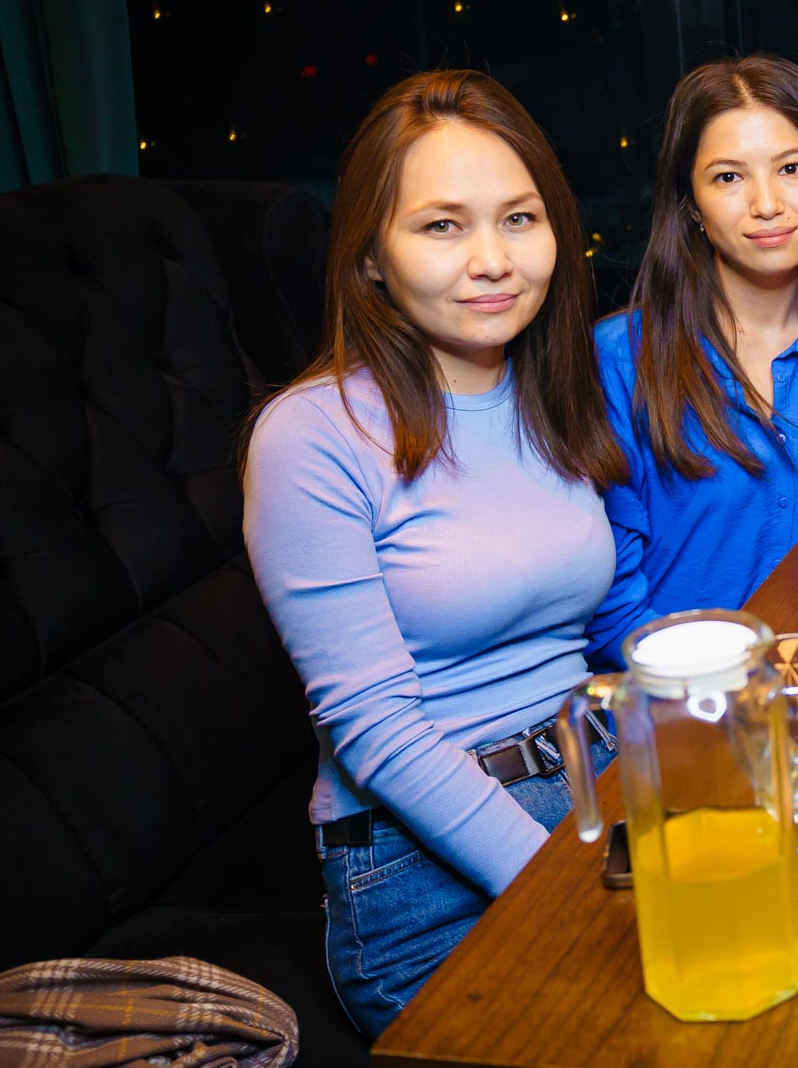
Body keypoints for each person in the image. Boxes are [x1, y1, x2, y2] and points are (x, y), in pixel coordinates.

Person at [243, 71, 629, 1035]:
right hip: (422, 868)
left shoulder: (550, 391)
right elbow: (375, 729)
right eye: (442, 226)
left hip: (602, 781)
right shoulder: (311, 435)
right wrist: (565, 884)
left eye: (519, 219)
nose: (493, 260)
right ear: (371, 255)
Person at [591, 54, 798, 649]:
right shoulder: (617, 361)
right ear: (691, 204)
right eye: (728, 178)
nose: (766, 203)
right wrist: (714, 682)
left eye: (791, 168)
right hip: (675, 688)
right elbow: (608, 605)